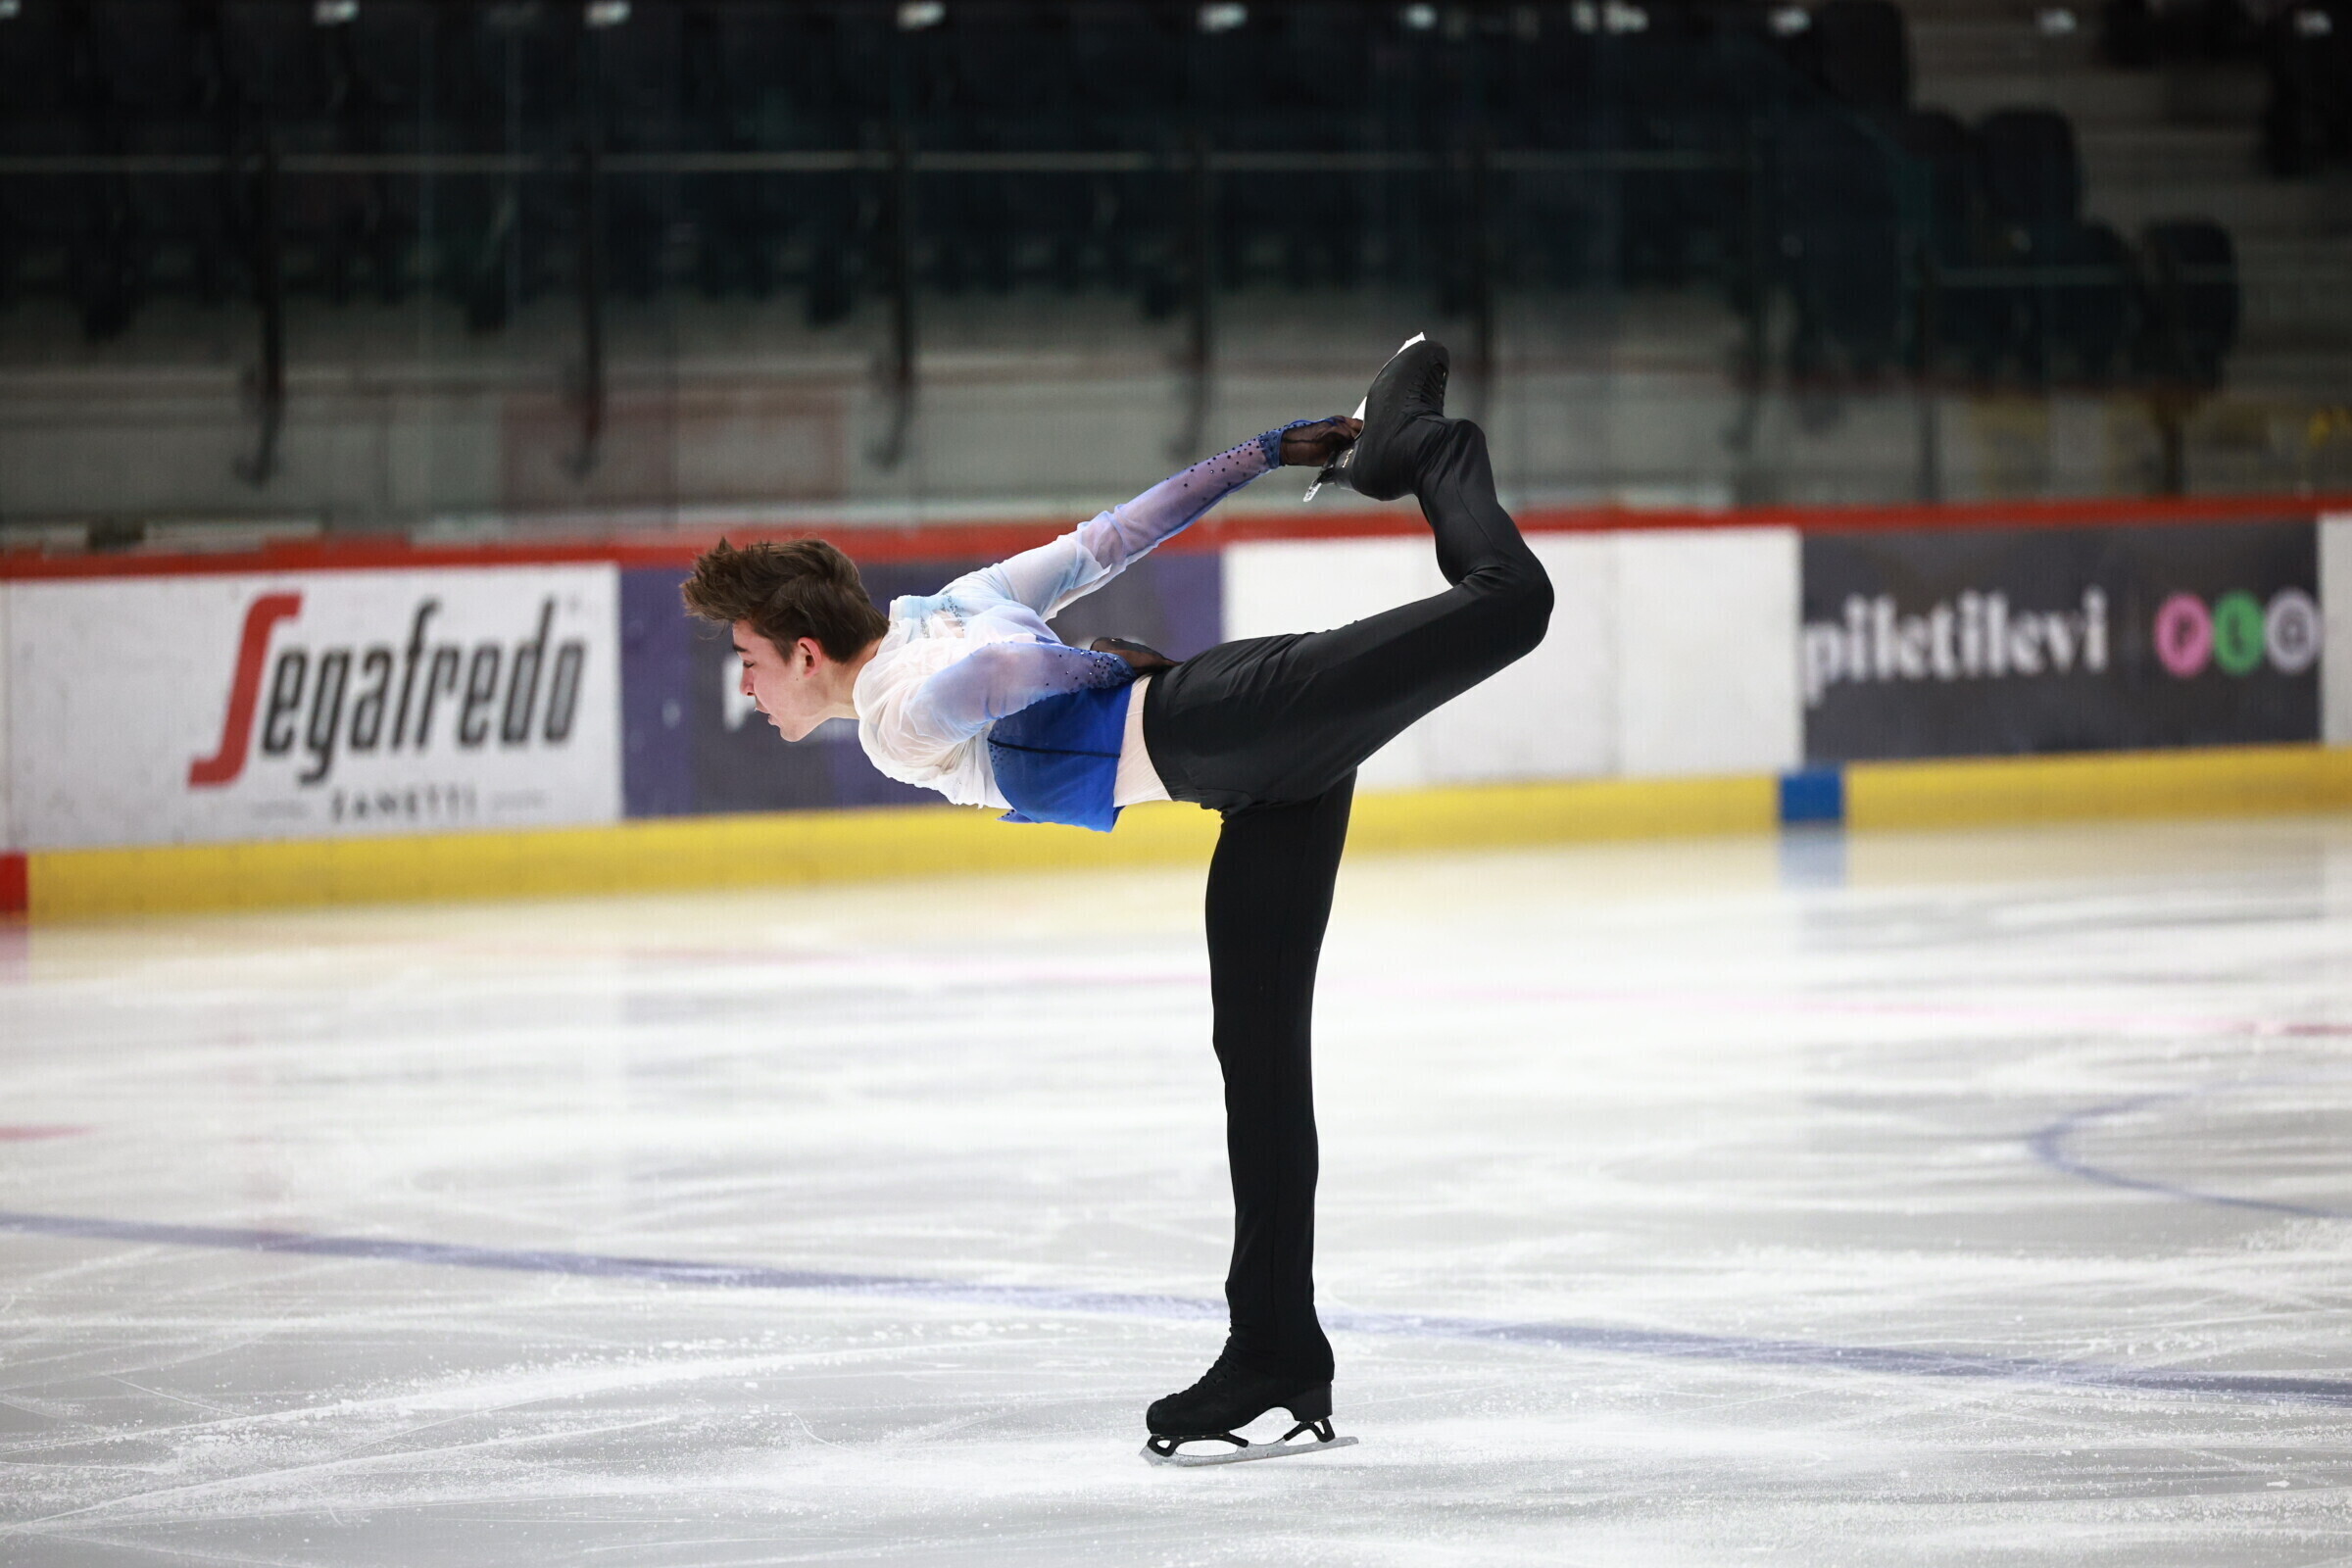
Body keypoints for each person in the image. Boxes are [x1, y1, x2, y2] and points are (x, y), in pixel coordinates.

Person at [681, 338, 1551, 1461]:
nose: (747, 684)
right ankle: (1275, 1347)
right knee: (1256, 1051)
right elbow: (1113, 537)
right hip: (1246, 767)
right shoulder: (948, 603)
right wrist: (1259, 453)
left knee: (1510, 600)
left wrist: (1104, 670)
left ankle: (1427, 446)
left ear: (806, 654)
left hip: (1232, 725)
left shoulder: (893, 719)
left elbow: (997, 679)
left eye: (750, 659)